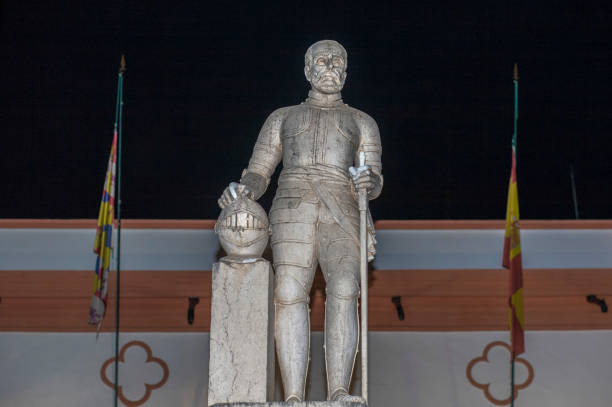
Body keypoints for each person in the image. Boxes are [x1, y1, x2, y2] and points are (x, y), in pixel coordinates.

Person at [218, 39, 382, 402]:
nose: (331, 67)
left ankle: (339, 390)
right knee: (289, 294)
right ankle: (292, 395)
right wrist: (242, 188)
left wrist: (368, 181)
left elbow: (373, 180)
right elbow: (260, 172)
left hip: (342, 206)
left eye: (338, 62)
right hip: (292, 204)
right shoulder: (282, 117)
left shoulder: (362, 122)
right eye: (322, 61)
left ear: (346, 71)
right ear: (307, 70)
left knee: (345, 289)